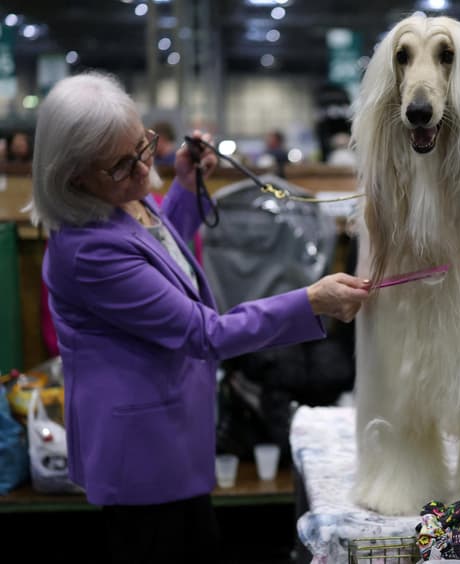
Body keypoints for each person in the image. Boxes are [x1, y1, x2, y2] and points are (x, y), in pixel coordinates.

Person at [27, 71, 371, 563]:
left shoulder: (120, 195)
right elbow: (202, 332)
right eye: (124, 164)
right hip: (140, 457)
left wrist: (186, 186)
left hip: (170, 438)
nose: (144, 167)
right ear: (73, 176)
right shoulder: (87, 251)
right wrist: (309, 300)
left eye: (144, 145)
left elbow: (161, 254)